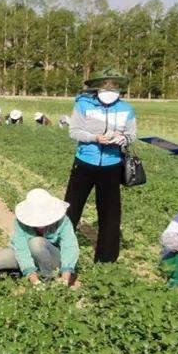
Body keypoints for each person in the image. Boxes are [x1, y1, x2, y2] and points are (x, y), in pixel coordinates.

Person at [64, 68, 136, 263]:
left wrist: (123, 139)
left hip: (112, 165)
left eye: (114, 86)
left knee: (110, 212)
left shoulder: (126, 109)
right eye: (105, 86)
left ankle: (106, 258)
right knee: (72, 207)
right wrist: (94, 138)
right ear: (97, 88)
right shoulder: (83, 105)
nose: (110, 90)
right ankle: (60, 250)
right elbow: (74, 131)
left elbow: (132, 134)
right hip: (85, 162)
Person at [0, 188, 79, 287]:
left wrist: (65, 276)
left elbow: (69, 247)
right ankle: (29, 272)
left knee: (36, 243)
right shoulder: (20, 223)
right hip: (28, 256)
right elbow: (21, 249)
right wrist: (34, 280)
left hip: (52, 259)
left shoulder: (62, 221)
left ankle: (48, 278)